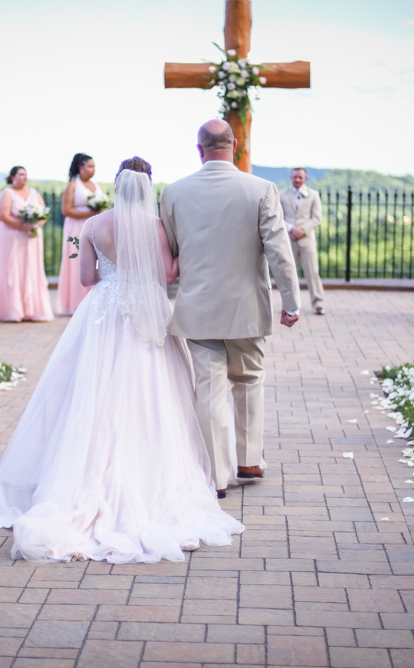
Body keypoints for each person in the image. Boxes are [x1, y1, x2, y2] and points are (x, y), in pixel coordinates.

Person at [0, 157, 244, 563]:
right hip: (147, 312)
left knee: (92, 392)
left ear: (117, 185)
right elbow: (168, 275)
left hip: (103, 313)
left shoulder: (93, 225)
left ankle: (80, 480)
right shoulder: (157, 227)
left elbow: (87, 278)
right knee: (152, 395)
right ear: (147, 186)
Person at [160, 120, 300, 497]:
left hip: (197, 306)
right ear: (234, 144)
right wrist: (291, 302)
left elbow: (170, 252)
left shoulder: (174, 193)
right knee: (250, 378)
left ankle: (215, 476)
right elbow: (279, 251)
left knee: (207, 389)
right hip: (246, 308)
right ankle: (249, 461)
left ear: (199, 149)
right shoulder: (261, 189)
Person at [0, 166, 54, 322]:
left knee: (32, 268)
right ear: (12, 177)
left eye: (26, 174)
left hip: (32, 238)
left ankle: (32, 310)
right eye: (21, 175)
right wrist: (23, 226)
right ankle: (13, 311)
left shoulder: (34, 193)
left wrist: (35, 225)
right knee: (13, 269)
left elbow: (44, 213)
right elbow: (3, 215)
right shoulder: (7, 193)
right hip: (12, 238)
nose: (24, 177)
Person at [56, 153, 100, 315]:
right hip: (76, 228)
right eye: (89, 166)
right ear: (81, 167)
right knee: (77, 262)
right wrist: (90, 213)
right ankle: (75, 303)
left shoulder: (97, 185)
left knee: (96, 262)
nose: (92, 170)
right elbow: (66, 210)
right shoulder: (73, 185)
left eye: (94, 166)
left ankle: (93, 299)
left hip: (95, 228)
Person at [279, 167, 324, 315]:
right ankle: (289, 305)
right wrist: (291, 228)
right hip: (289, 239)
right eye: (295, 177)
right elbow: (278, 216)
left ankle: (318, 303)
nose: (297, 180)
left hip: (307, 240)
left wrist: (302, 230)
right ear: (291, 177)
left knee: (312, 272)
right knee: (288, 273)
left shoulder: (314, 195)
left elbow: (317, 218)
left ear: (305, 178)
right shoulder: (282, 195)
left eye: (300, 177)